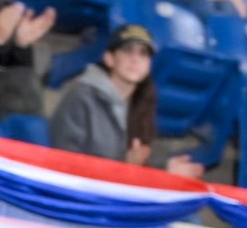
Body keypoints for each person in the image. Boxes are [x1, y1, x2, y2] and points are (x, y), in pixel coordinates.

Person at [48, 23, 202, 177]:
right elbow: (66, 167)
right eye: (128, 51)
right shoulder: (81, 97)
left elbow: (134, 167)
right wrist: (125, 167)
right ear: (109, 59)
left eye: (143, 53)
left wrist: (165, 170)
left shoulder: (141, 102)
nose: (135, 59)